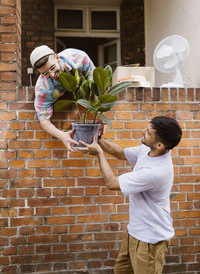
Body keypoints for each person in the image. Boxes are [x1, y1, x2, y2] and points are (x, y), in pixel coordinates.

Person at [77, 116, 182, 274]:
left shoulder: (156, 172)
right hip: (134, 232)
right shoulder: (148, 150)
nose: (143, 133)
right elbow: (119, 152)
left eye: (147, 132)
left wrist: (99, 153)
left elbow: (112, 183)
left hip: (151, 240)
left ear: (160, 145)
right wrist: (96, 139)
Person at [30, 45, 95, 151]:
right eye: (45, 73)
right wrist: (62, 135)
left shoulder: (78, 57)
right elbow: (44, 120)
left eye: (52, 68)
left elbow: (96, 83)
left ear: (57, 57)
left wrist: (101, 118)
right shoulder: (43, 88)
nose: (52, 75)